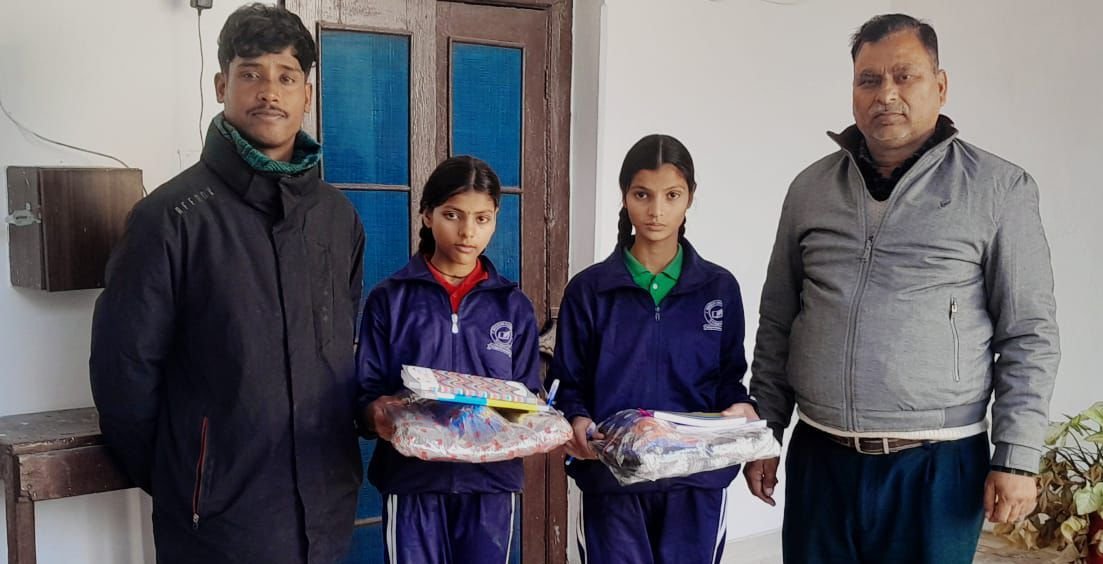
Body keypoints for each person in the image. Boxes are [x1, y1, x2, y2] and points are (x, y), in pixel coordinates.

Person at [743, 13, 1060, 563]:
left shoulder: (998, 189)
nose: (885, 94)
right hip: (821, 458)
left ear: (940, 85)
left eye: (904, 76)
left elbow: (1029, 334)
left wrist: (1016, 455)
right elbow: (778, 321)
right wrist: (765, 432)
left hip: (937, 465)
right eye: (868, 80)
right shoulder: (810, 189)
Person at [90, 4, 364, 562]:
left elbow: (340, 352)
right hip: (216, 529)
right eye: (251, 74)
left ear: (307, 95)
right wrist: (190, 480)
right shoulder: (171, 218)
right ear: (221, 86)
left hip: (325, 514)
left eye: (286, 77)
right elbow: (124, 373)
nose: (270, 92)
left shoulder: (337, 218)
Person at [550, 134, 757, 564]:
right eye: (642, 194)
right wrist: (578, 420)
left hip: (697, 483)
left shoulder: (719, 288)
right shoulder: (589, 290)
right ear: (625, 196)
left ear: (690, 197)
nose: (656, 211)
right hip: (612, 482)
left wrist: (742, 409)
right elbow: (568, 385)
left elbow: (728, 381)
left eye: (672, 195)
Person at [357, 155, 541, 564]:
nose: (467, 232)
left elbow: (527, 397)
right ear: (427, 214)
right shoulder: (390, 299)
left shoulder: (513, 306)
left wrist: (527, 416)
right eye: (452, 215)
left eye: (482, 219)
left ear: (495, 219)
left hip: (490, 483)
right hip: (412, 480)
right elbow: (365, 393)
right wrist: (377, 413)